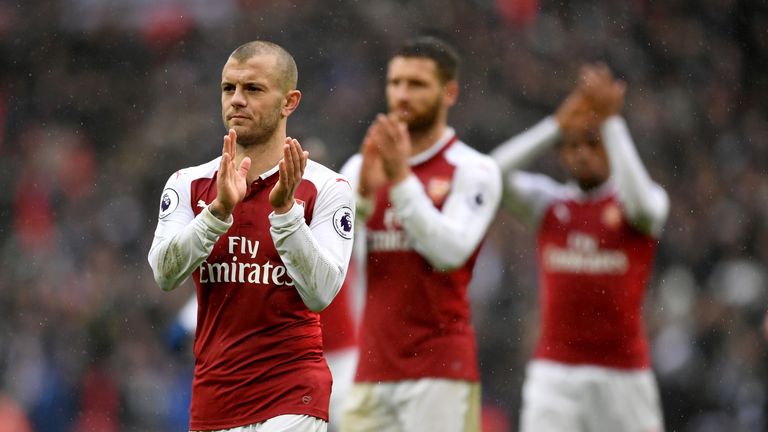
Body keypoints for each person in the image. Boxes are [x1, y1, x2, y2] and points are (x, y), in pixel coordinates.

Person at [147, 40, 355, 432]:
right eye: (229, 88)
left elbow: (321, 292)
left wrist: (285, 213)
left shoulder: (327, 188)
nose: (237, 100)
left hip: (293, 395)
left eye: (253, 89)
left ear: (289, 102)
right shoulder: (188, 184)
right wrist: (218, 212)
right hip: (214, 398)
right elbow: (164, 273)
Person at [491, 63, 670, 432]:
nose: (582, 154)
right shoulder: (549, 205)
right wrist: (555, 126)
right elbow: (489, 174)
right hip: (556, 373)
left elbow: (645, 209)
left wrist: (612, 123)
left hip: (625, 375)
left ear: (610, 148)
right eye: (571, 147)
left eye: (592, 144)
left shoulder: (638, 203)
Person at [339, 36, 502, 432]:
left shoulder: (473, 169)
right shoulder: (361, 166)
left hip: (440, 369)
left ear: (449, 92)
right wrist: (360, 198)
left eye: (416, 84)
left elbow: (449, 251)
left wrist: (399, 180)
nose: (402, 95)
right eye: (395, 83)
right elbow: (335, 256)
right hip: (371, 368)